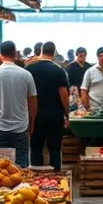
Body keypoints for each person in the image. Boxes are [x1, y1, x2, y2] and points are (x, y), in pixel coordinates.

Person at [0, 41, 37, 167]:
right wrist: (31, 123)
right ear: (15, 53)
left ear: (0, 55)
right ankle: (22, 186)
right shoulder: (26, 75)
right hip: (21, 127)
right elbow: (33, 102)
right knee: (21, 165)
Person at [28, 41, 70, 169]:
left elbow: (26, 94)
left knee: (35, 149)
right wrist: (67, 114)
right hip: (55, 116)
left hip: (34, 116)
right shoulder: (58, 71)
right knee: (55, 150)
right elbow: (63, 95)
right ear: (54, 52)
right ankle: (56, 179)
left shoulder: (29, 69)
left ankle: (35, 180)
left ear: (41, 51)